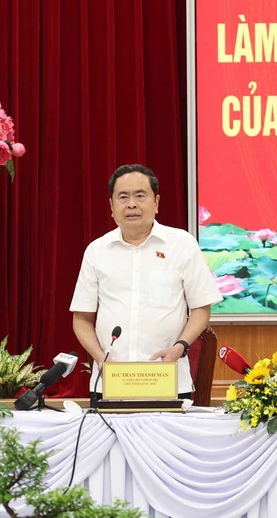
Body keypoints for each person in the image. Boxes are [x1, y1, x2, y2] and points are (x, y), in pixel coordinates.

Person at [70, 164, 223, 401]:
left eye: (140, 195)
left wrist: (180, 347)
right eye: (123, 197)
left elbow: (201, 308)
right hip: (111, 381)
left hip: (168, 377)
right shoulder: (97, 250)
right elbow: (81, 319)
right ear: (111, 206)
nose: (131, 204)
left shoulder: (182, 244)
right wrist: (102, 359)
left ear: (156, 202)